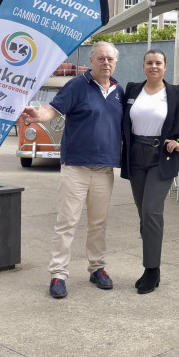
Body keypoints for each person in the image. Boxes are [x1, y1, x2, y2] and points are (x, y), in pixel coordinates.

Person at [21, 42, 123, 300]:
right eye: (100, 58)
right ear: (92, 61)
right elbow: (53, 110)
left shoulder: (119, 91)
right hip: (76, 167)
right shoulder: (77, 85)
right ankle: (58, 274)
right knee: (67, 222)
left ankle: (97, 268)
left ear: (115, 62)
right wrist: (37, 114)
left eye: (110, 58)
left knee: (98, 223)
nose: (105, 62)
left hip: (104, 169)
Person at [120, 49, 179, 294]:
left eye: (158, 63)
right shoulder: (132, 89)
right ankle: (152, 263)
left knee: (152, 211)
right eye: (149, 62)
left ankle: (151, 269)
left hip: (161, 157)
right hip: (135, 157)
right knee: (144, 215)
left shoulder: (175, 92)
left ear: (165, 67)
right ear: (143, 66)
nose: (154, 66)